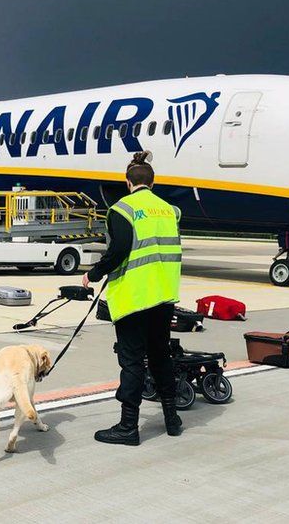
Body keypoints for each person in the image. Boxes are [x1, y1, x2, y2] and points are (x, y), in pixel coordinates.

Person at [82, 151, 183, 445]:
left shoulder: (122, 209)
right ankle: (172, 418)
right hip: (164, 296)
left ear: (128, 182)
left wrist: (95, 273)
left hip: (135, 298)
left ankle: (128, 426)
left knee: (132, 362)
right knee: (161, 356)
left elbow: (119, 250)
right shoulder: (169, 210)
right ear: (152, 182)